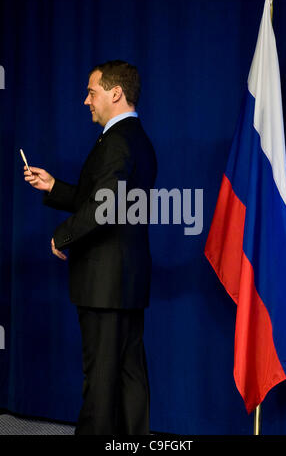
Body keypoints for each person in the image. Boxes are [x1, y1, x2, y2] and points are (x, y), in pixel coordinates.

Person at [24, 60, 157, 435]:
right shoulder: (136, 139)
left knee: (99, 382)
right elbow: (103, 198)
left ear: (115, 94)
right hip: (126, 282)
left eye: (91, 92)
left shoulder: (116, 142)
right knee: (130, 376)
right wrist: (55, 188)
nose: (86, 101)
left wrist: (61, 235)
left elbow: (104, 206)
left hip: (104, 284)